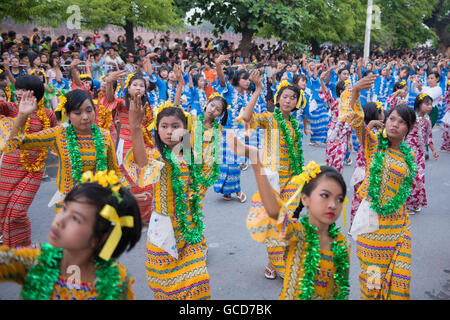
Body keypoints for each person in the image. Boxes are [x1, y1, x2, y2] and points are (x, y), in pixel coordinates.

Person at [229, 133, 349, 299]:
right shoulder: (299, 234)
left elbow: (340, 291)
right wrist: (255, 158)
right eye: (324, 195)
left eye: (339, 199)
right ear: (305, 198)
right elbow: (274, 212)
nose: (332, 204)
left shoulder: (343, 244)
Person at [0, 170, 141, 300]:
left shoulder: (116, 283)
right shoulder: (37, 259)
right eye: (64, 208)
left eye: (76, 219)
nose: (59, 221)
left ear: (100, 237)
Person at [125, 101, 211, 300]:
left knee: (199, 279)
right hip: (163, 230)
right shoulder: (155, 156)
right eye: (164, 126)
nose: (169, 131)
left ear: (185, 129)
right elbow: (141, 163)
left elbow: (200, 185)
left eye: (175, 126)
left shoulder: (192, 156)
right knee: (163, 284)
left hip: (189, 230)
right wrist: (135, 127)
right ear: (157, 129)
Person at [345, 74, 417, 300]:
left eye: (402, 122)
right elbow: (357, 121)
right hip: (372, 227)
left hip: (398, 227)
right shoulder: (374, 145)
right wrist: (355, 91)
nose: (395, 124)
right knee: (373, 284)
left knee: (400, 282)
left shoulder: (409, 156)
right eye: (392, 119)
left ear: (409, 129)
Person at [3, 89, 121, 213]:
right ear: (68, 115)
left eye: (89, 110)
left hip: (99, 201)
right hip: (68, 203)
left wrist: (126, 197)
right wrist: (22, 115)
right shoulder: (59, 134)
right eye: (77, 112)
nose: (85, 117)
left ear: (95, 111)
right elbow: (14, 143)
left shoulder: (104, 136)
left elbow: (114, 170)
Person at [241, 75, 306, 280]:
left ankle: (277, 262)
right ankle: (275, 262)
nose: (288, 100)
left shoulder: (295, 125)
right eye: (285, 96)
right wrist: (258, 90)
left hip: (293, 179)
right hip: (274, 179)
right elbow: (246, 116)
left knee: (289, 220)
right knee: (275, 221)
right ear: (278, 99)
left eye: (292, 97)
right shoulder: (269, 119)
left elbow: (296, 152)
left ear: (297, 102)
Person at [0, 75, 58, 247]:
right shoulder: (11, 108)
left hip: (34, 170)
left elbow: (56, 138)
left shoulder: (48, 115)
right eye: (17, 89)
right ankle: (9, 251)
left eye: (24, 89)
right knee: (3, 211)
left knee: (16, 212)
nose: (19, 93)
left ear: (36, 93)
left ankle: (21, 248)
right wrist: (21, 113)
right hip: (8, 168)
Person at [349, 101, 385, 229]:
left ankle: (362, 225)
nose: (384, 113)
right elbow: (362, 139)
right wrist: (369, 125)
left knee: (365, 199)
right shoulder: (367, 129)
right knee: (361, 198)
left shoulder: (381, 130)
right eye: (381, 111)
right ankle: (356, 226)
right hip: (364, 171)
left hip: (368, 170)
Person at [405, 94, 439, 214]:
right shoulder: (411, 117)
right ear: (419, 104)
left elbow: (428, 136)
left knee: (419, 179)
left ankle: (415, 203)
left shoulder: (428, 119)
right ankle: (408, 205)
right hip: (409, 152)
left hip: (420, 154)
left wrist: (434, 150)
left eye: (430, 104)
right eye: (427, 104)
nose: (430, 107)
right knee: (411, 178)